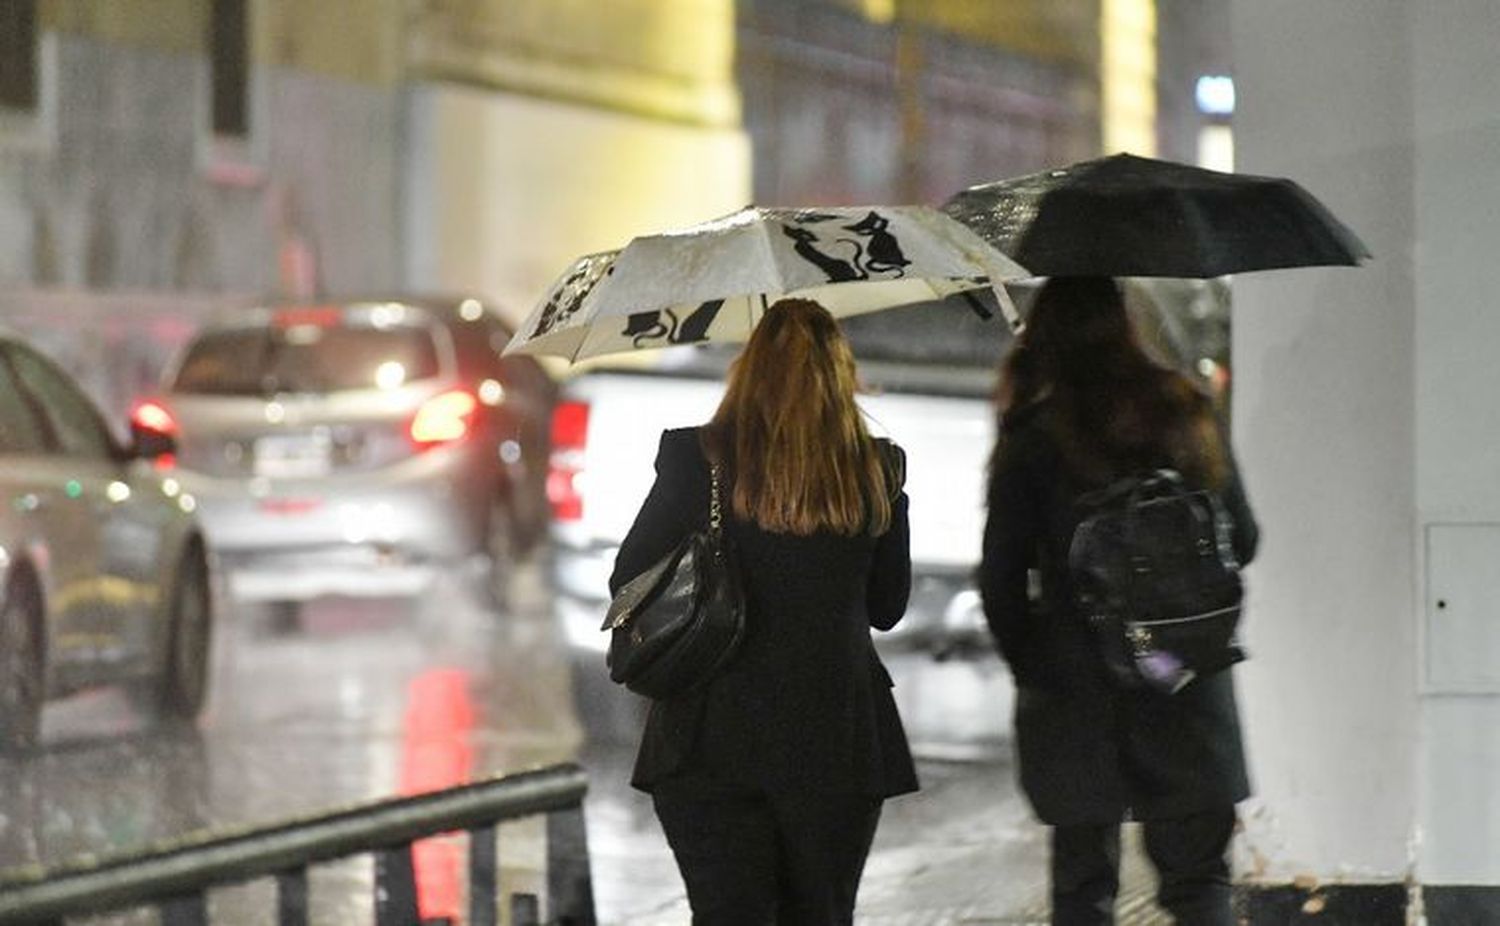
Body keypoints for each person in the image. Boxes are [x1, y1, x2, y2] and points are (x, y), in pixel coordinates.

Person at [610, 297, 918, 924]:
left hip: (708, 737)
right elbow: (887, 608)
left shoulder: (696, 460)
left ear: (747, 371)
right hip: (836, 740)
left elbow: (628, 582)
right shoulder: (876, 468)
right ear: (841, 377)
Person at [979, 276, 1259, 925]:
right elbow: (1242, 539)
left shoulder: (1035, 437)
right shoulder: (1188, 410)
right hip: (1185, 676)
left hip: (1077, 689)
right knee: (1199, 884)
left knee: (1083, 888)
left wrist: (1036, 664)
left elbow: (1001, 581)